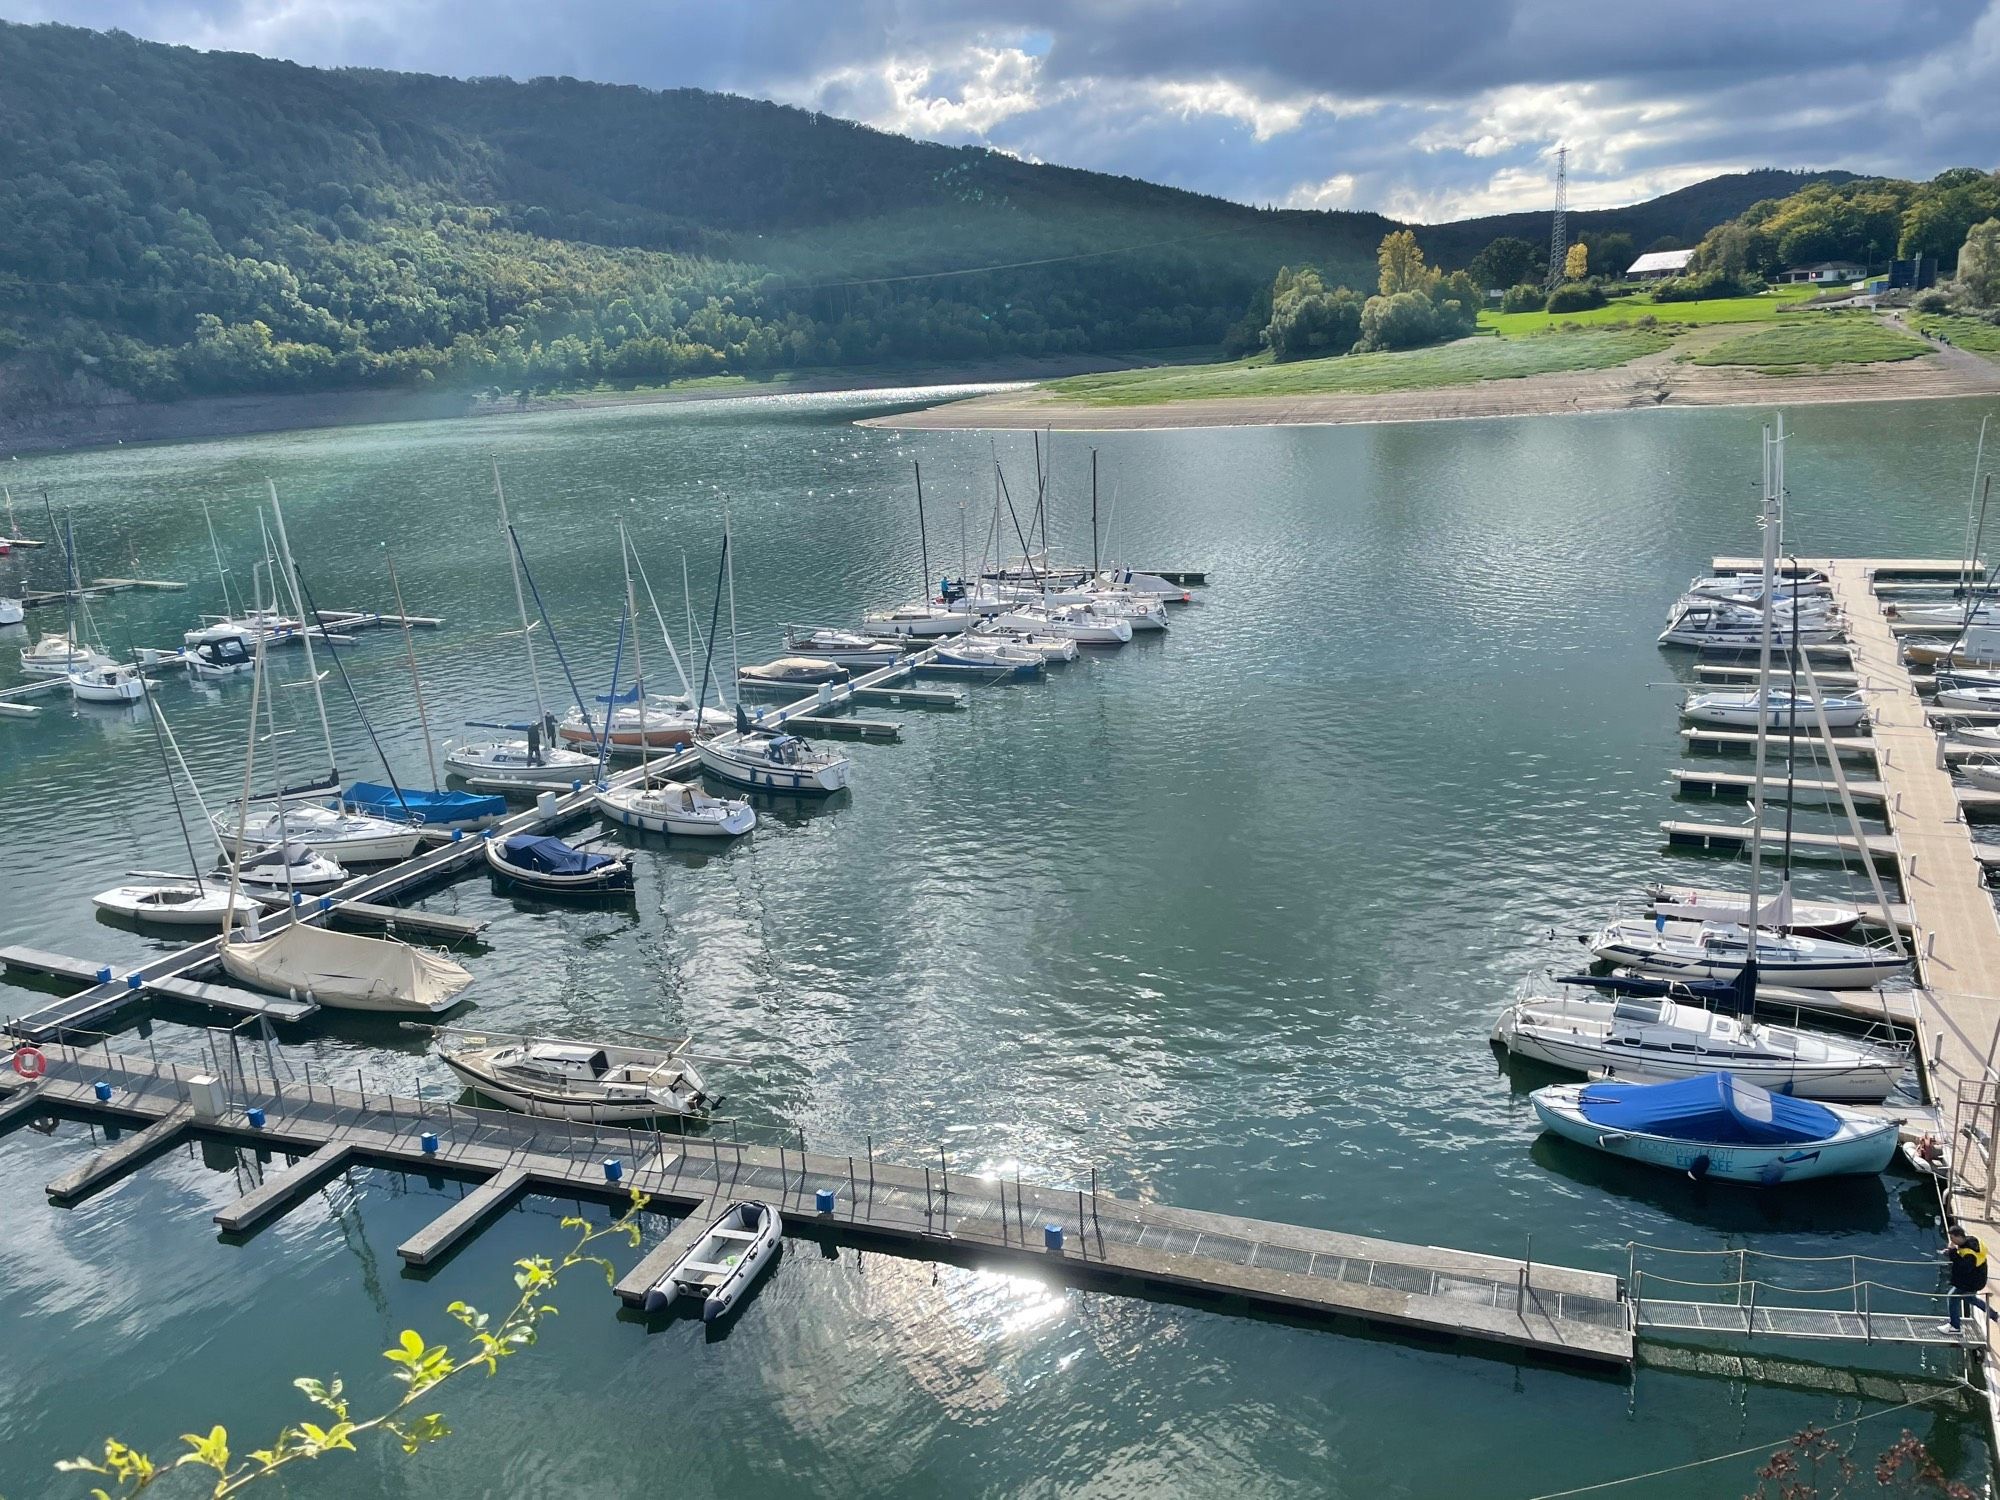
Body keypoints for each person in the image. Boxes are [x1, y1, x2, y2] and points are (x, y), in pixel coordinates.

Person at [1941, 1224, 1995, 1335]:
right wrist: (1952, 1251)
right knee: (1971, 1299)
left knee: (1952, 1297)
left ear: (1958, 1237)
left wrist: (1951, 1252)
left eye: (1952, 1238)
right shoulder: (1972, 1240)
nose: (1951, 1241)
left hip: (1972, 1282)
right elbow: (1962, 1254)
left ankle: (1955, 1327)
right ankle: (1994, 1315)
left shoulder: (1969, 1255)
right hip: (1979, 1278)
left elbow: (1963, 1268)